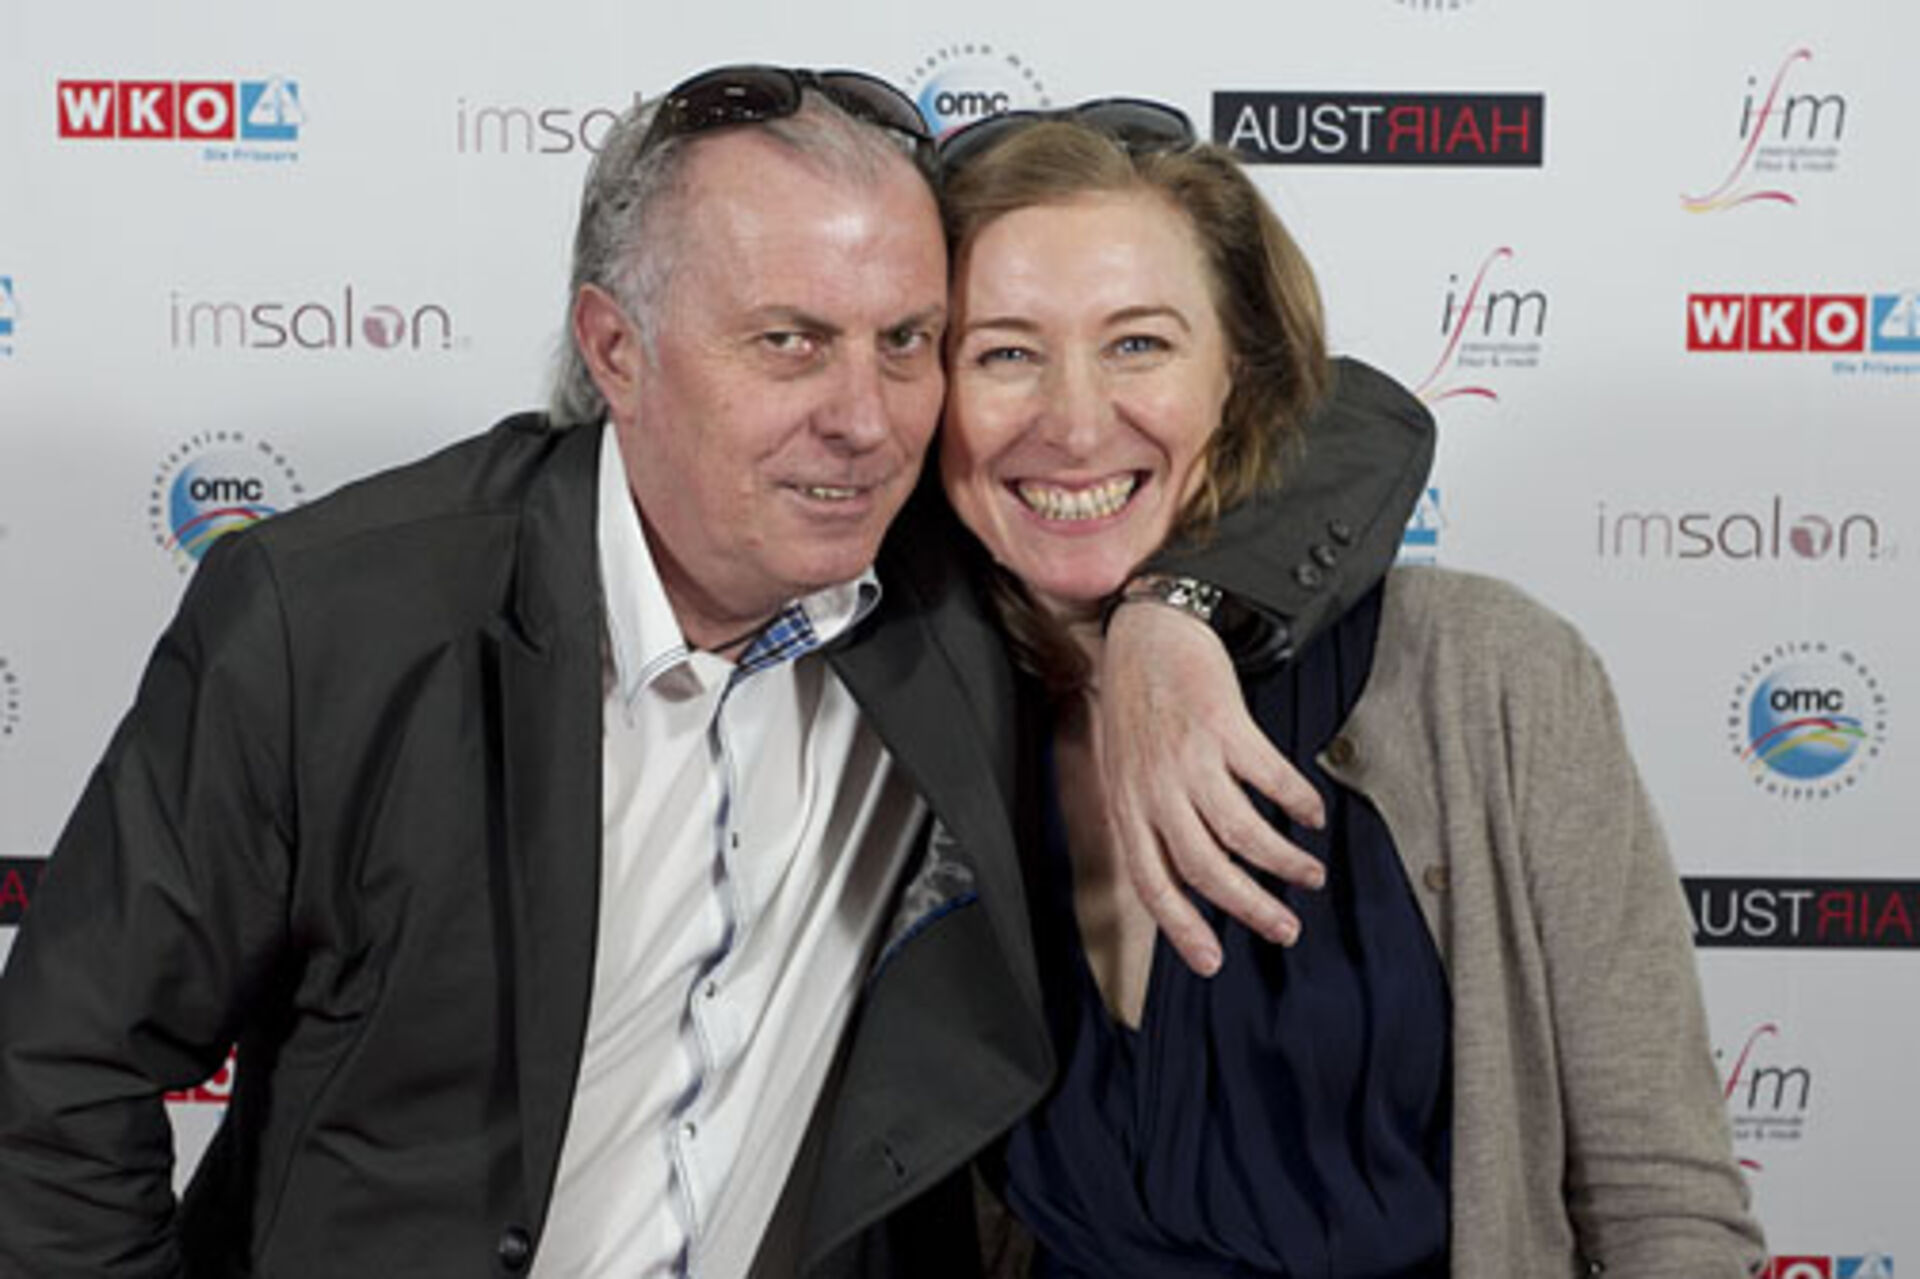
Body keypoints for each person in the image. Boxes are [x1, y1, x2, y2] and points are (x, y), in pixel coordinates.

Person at [0, 69, 1432, 1278]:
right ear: (616, 348)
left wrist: (1178, 613)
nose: (862, 419)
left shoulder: (943, 579)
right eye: (788, 342)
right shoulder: (335, 619)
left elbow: (1345, 413)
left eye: (907, 342)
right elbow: (56, 1085)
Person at [931, 103, 1768, 1276]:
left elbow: (1664, 1210)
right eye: (1004, 353)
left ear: (1242, 377)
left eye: (1139, 345)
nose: (1073, 423)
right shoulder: (917, 714)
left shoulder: (1485, 675)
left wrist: (1169, 609)